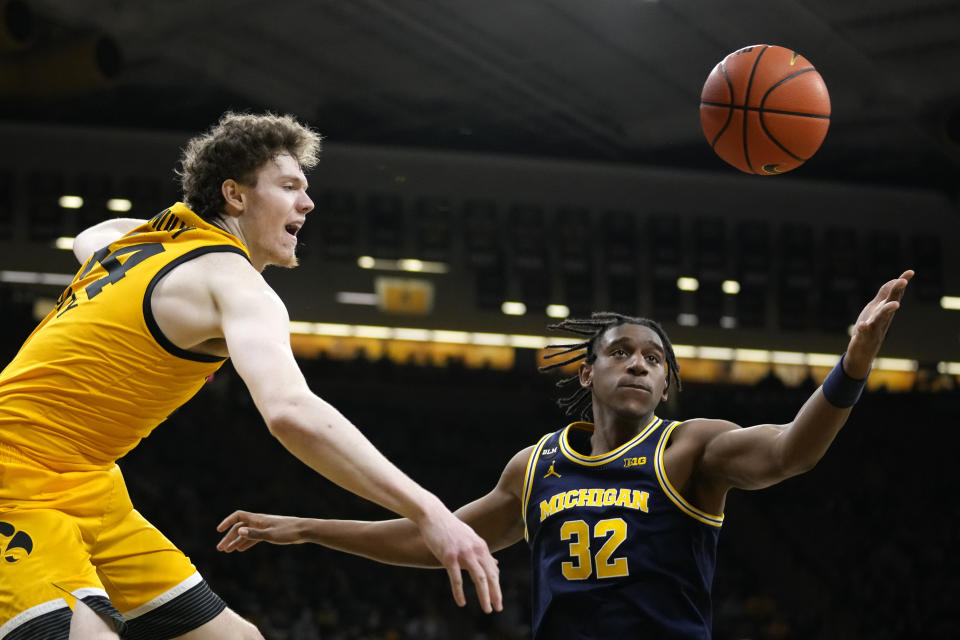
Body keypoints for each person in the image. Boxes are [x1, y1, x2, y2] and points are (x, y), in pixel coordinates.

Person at [0, 112, 501, 640]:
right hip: (12, 474)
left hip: (85, 483)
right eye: (288, 187)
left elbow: (91, 235)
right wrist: (429, 511)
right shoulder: (239, 287)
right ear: (235, 197)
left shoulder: (141, 244)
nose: (307, 203)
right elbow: (290, 412)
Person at [217, 270, 914, 639]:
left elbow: (792, 452)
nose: (639, 365)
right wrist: (309, 528)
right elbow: (437, 541)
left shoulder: (691, 447)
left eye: (654, 359)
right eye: (621, 352)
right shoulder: (536, 466)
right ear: (587, 374)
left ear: (668, 383)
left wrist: (853, 363)